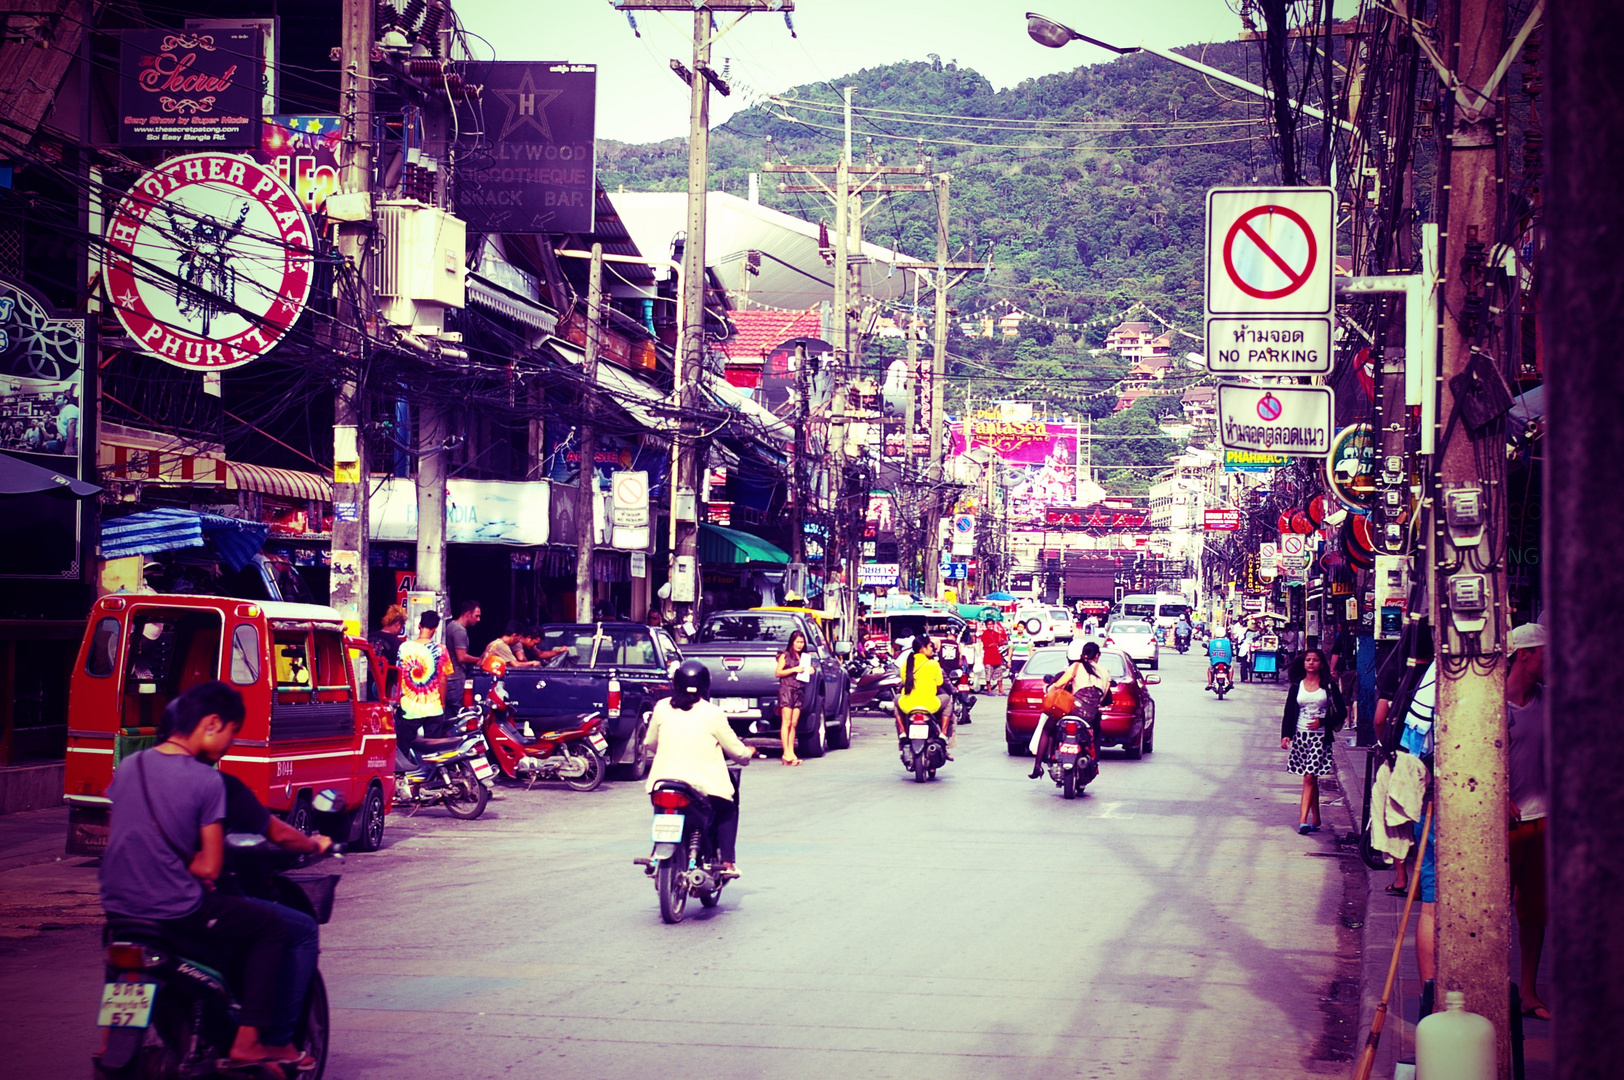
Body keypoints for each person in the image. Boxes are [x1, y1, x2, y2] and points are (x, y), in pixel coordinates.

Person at [98, 682, 293, 1068]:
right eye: (232, 732)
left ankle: (109, 1038)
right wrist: (183, 860)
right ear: (212, 723)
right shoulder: (207, 781)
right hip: (177, 909)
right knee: (271, 927)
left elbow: (121, 832)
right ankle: (249, 1041)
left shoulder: (132, 765)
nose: (230, 743)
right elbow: (210, 868)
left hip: (117, 905)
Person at [644, 659, 757, 875]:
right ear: (706, 686)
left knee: (663, 810)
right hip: (703, 785)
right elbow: (736, 751)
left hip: (663, 782)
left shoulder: (661, 708)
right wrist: (748, 752)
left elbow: (650, 743)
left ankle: (655, 854)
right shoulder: (712, 713)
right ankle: (726, 861)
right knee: (727, 809)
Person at [1505, 621, 1550, 1021]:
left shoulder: (1549, 701)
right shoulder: (1491, 705)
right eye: (1544, 653)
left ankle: (1530, 992)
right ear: (1525, 654)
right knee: (1490, 909)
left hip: (1543, 821)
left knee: (1534, 913)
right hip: (1500, 826)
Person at [1280, 648, 1347, 834]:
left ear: (1321, 664)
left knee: (1309, 776)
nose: (1311, 663)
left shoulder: (1329, 687)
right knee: (1311, 777)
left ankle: (1302, 820)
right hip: (1301, 737)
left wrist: (1322, 722)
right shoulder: (1296, 686)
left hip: (1320, 738)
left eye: (1315, 660)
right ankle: (1316, 818)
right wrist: (1286, 735)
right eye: (1308, 660)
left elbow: (1342, 713)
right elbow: (1289, 712)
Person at [1032, 640, 1113, 779]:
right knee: (1094, 735)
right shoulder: (1105, 672)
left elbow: (1058, 685)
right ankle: (1093, 762)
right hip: (1090, 715)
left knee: (1047, 729)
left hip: (1072, 710)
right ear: (1097, 656)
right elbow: (1102, 698)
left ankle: (1037, 766)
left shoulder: (1076, 666)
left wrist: (1050, 691)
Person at [396, 610, 452, 764]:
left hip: (409, 708)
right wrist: (443, 703)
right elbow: (443, 679)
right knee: (432, 751)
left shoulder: (404, 647)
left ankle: (405, 780)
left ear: (419, 626)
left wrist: (397, 700)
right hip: (433, 708)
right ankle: (430, 779)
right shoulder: (441, 650)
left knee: (403, 749)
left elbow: (397, 675)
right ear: (435, 628)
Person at [895, 636, 951, 738]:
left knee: (896, 699)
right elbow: (939, 683)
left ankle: (902, 732)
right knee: (948, 699)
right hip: (930, 705)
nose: (932, 649)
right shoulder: (933, 664)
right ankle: (943, 734)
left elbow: (904, 682)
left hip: (908, 706)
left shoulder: (905, 665)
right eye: (930, 646)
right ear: (922, 648)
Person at [773, 629, 812, 766]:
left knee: (794, 723)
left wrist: (810, 670)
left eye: (802, 642)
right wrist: (794, 669)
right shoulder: (785, 655)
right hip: (787, 690)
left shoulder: (804, 657)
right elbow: (778, 672)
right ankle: (786, 752)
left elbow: (807, 671)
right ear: (792, 642)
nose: (800, 645)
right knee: (786, 722)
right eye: (797, 642)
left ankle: (791, 752)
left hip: (799, 690)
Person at [443, 600, 481, 711]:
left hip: (450, 678)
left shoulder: (451, 626)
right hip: (455, 679)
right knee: (455, 713)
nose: (478, 620)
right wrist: (479, 659)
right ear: (468, 614)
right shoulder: (459, 630)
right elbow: (462, 657)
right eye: (476, 616)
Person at [980, 617, 1009, 695]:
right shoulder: (984, 634)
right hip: (988, 657)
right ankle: (989, 690)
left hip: (996, 657)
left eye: (991, 624)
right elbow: (987, 645)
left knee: (999, 675)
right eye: (988, 624)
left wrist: (999, 635)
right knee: (988, 675)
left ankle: (1001, 690)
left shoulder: (996, 633)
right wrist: (994, 644)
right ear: (986, 625)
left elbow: (1000, 643)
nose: (990, 626)